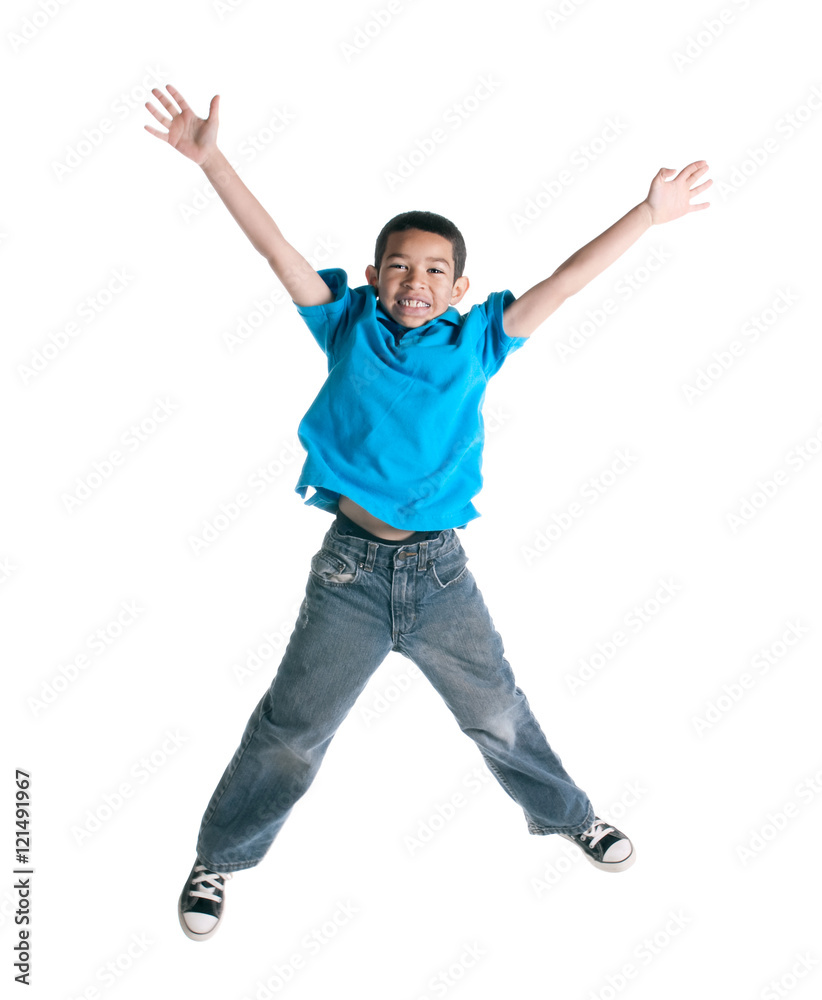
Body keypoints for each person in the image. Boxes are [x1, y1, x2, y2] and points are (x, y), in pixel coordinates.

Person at [144, 84, 710, 942]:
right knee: (293, 733)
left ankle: (570, 816)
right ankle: (219, 857)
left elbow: (566, 281)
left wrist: (647, 212)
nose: (416, 282)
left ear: (460, 286)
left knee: (497, 712)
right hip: (350, 574)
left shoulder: (482, 340)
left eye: (435, 271)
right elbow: (274, 249)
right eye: (399, 268)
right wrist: (214, 161)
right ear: (373, 278)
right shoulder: (345, 326)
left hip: (440, 573)